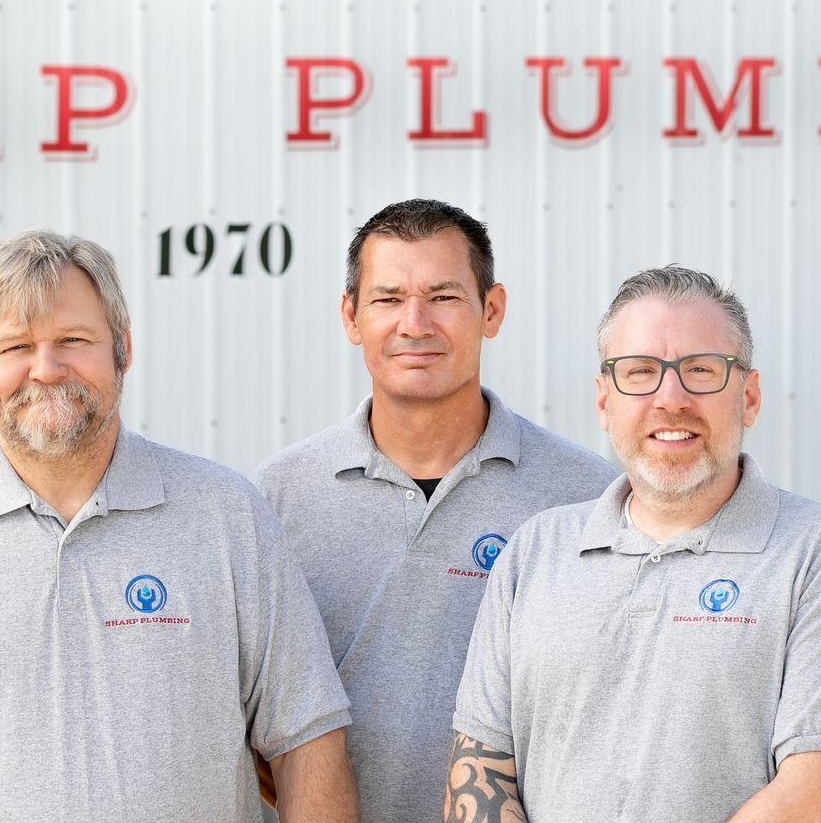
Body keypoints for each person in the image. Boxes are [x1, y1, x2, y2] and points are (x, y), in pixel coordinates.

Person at [0, 230, 360, 822]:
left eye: (73, 340)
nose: (46, 369)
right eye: (16, 346)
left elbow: (308, 747)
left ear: (123, 348)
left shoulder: (229, 518)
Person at [447, 265, 821, 823]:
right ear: (604, 401)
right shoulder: (535, 551)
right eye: (640, 372)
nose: (671, 398)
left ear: (749, 397)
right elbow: (480, 767)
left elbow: (811, 791)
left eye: (701, 370)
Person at [254, 199, 613, 822]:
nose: (414, 324)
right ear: (351, 316)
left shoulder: (584, 495)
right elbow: (251, 716)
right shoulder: (274, 499)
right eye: (388, 299)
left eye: (443, 297)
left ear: (491, 310)